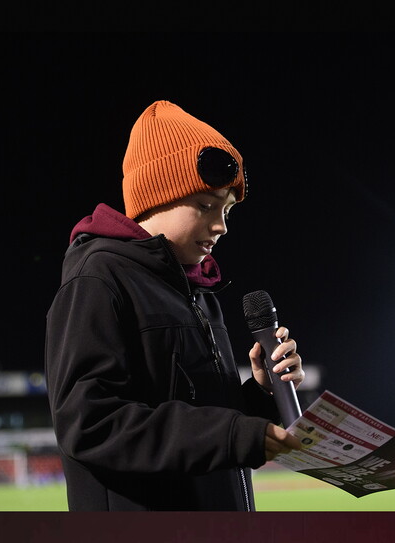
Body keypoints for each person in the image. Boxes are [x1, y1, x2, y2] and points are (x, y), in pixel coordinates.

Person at [44, 100, 305, 511]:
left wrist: (259, 393)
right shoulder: (98, 278)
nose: (221, 225)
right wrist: (233, 434)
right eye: (205, 205)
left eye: (227, 209)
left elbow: (203, 420)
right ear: (155, 196)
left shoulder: (197, 289)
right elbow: (90, 424)